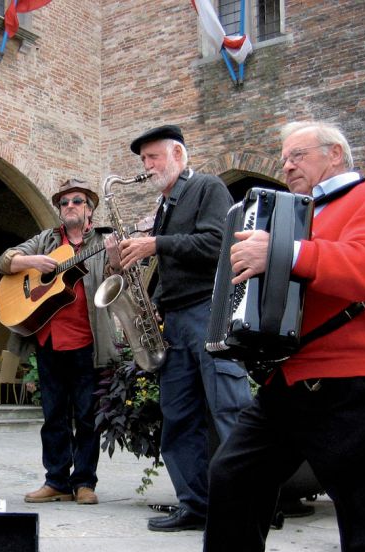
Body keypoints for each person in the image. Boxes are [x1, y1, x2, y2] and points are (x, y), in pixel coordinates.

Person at [201, 121, 365, 552]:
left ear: (334, 154)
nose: (287, 166)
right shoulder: (294, 213)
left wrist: (284, 253)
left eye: (298, 155)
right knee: (233, 475)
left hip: (355, 375)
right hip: (291, 375)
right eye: (284, 159)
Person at [116, 125, 252, 531]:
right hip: (175, 319)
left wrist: (156, 244)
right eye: (143, 159)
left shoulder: (207, 187)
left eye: (153, 156)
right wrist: (153, 304)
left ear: (178, 154)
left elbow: (218, 244)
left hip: (208, 313)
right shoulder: (166, 205)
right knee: (178, 415)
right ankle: (196, 505)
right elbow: (173, 266)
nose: (146, 165)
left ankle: (247, 509)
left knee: (229, 409)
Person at [0, 179, 119, 505]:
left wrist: (116, 259)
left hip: (88, 342)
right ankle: (56, 481)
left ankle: (84, 482)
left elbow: (116, 279)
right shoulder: (46, 240)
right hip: (49, 340)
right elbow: (5, 260)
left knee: (87, 416)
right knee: (53, 416)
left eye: (77, 201)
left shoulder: (103, 240)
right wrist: (34, 262)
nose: (70, 207)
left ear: (90, 209)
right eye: (64, 203)